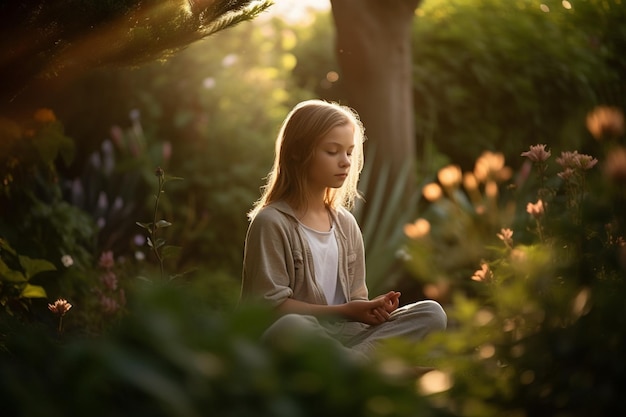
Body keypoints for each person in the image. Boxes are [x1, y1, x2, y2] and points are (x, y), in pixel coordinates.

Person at [240, 99, 446, 363]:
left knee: (431, 313)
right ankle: (362, 368)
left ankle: (349, 366)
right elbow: (270, 309)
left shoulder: (345, 223)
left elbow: (356, 299)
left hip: (345, 337)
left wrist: (371, 309)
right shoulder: (271, 222)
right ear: (297, 152)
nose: (345, 162)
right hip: (295, 337)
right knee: (292, 327)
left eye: (349, 152)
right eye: (332, 151)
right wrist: (346, 311)